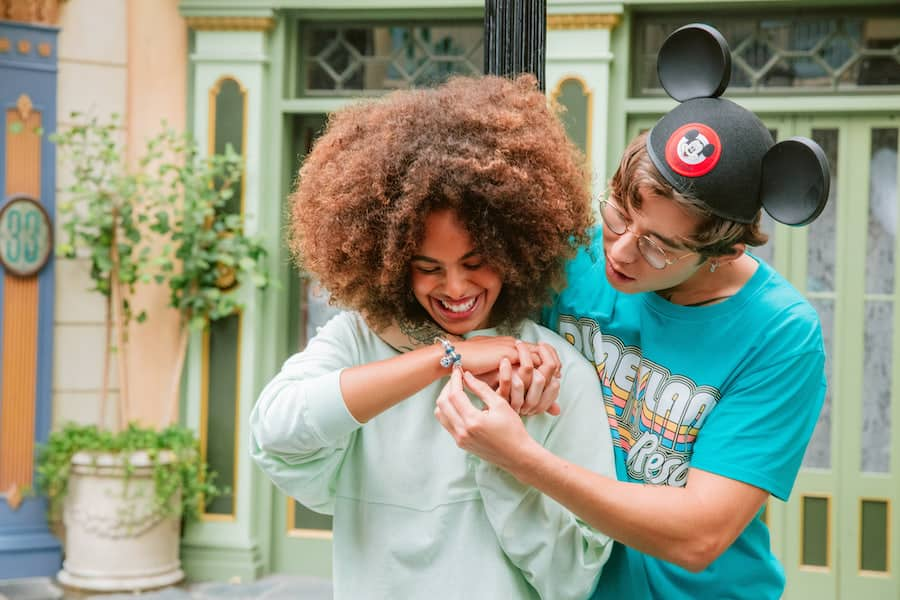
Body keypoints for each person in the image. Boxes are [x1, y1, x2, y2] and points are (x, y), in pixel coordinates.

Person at [432, 24, 830, 600]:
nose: (617, 251)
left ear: (726, 251)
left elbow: (700, 533)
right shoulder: (577, 251)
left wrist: (522, 459)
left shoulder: (781, 334)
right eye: (620, 216)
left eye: (658, 247)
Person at [248, 74, 616, 600]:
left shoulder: (552, 372)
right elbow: (275, 431)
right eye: (428, 267)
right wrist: (448, 358)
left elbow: (573, 577)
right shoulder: (357, 339)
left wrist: (504, 458)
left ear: (515, 251)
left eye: (476, 261)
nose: (456, 287)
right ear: (392, 262)